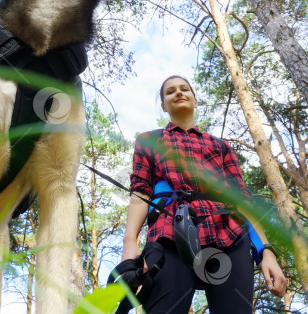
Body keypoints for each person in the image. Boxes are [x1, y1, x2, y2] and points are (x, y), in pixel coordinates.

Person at [121, 75, 287, 313]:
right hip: (169, 234)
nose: (178, 93)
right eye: (170, 92)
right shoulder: (149, 140)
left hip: (228, 233)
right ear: (163, 106)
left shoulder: (221, 146)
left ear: (195, 100)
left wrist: (265, 252)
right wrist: (129, 243)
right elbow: (140, 193)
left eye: (184, 89)